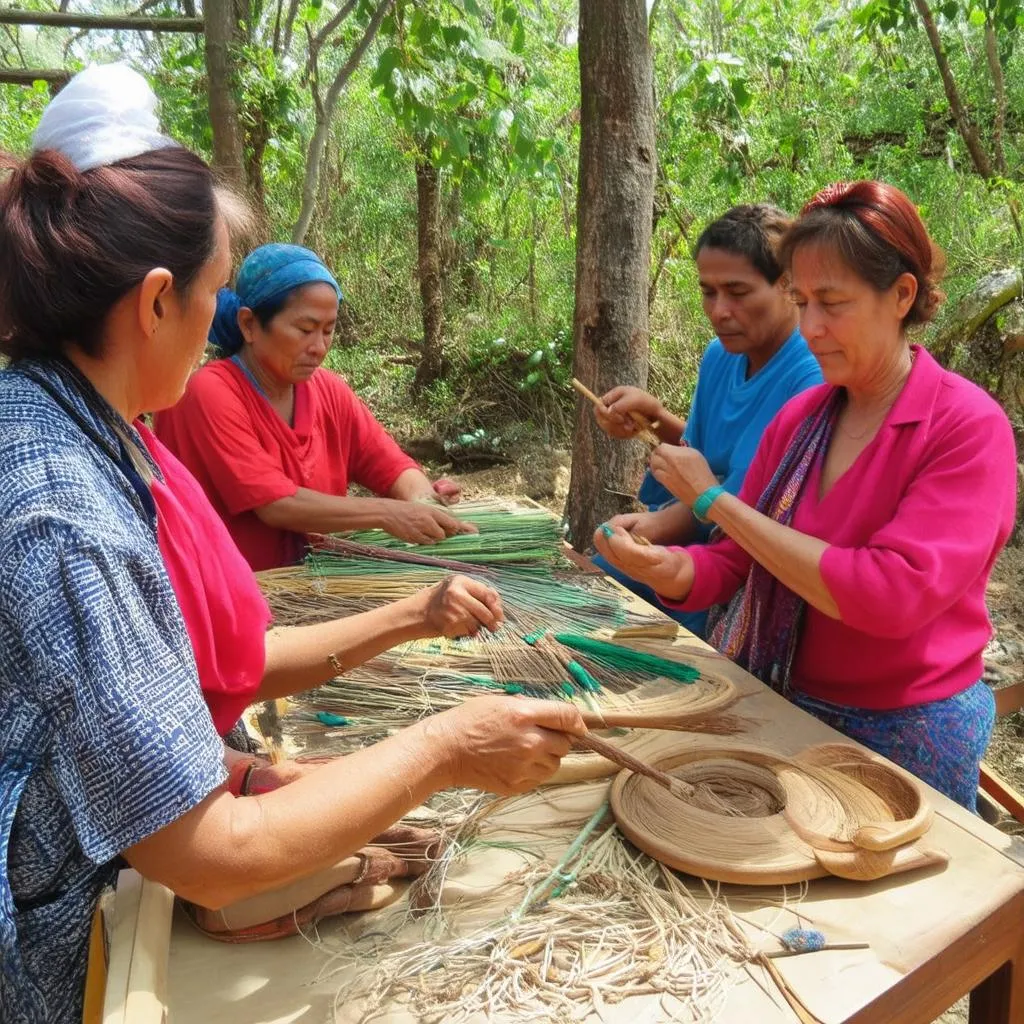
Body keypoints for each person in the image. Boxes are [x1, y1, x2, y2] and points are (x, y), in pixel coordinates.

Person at [0, 65, 585, 1024]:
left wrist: (408, 613)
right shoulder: (65, 506)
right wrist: (444, 745)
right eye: (217, 299)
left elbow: (151, 686)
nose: (216, 326)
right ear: (156, 301)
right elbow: (205, 854)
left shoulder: (82, 430)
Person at [594, 180, 1017, 811]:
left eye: (832, 303)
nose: (811, 327)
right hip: (781, 696)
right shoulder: (802, 421)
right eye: (801, 300)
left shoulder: (964, 428)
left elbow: (891, 595)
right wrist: (672, 569)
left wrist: (714, 503)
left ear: (901, 295)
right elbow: (739, 563)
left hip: (904, 726)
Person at [154, 242, 469, 571]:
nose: (319, 347)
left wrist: (423, 501)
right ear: (249, 325)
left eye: (328, 330)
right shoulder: (209, 393)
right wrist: (388, 513)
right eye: (305, 330)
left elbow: (390, 466)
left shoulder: (329, 391)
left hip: (315, 585)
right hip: (235, 599)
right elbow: (276, 504)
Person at [590, 204, 822, 637]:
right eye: (708, 292)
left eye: (737, 291)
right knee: (587, 587)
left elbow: (738, 503)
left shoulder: (810, 377)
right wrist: (654, 420)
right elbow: (699, 460)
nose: (719, 310)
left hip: (746, 570)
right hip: (698, 540)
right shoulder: (721, 357)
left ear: (788, 286)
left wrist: (655, 527)